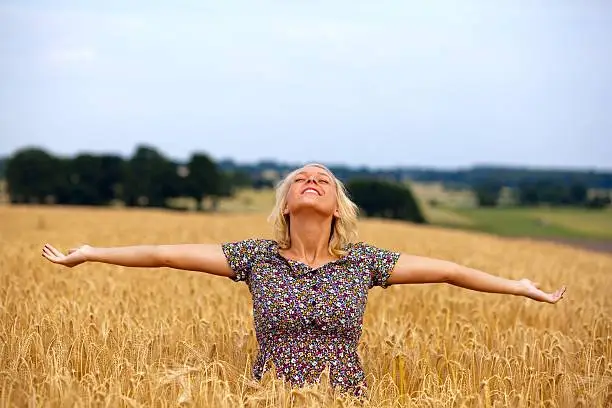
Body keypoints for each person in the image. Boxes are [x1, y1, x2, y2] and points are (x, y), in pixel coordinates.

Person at [41, 163, 566, 396]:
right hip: (266, 397)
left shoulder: (363, 263)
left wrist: (517, 285)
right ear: (286, 202)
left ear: (337, 206)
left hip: (344, 397)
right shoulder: (257, 258)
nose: (311, 182)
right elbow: (162, 254)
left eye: (323, 180)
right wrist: (88, 254)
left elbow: (451, 273)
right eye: (301, 179)